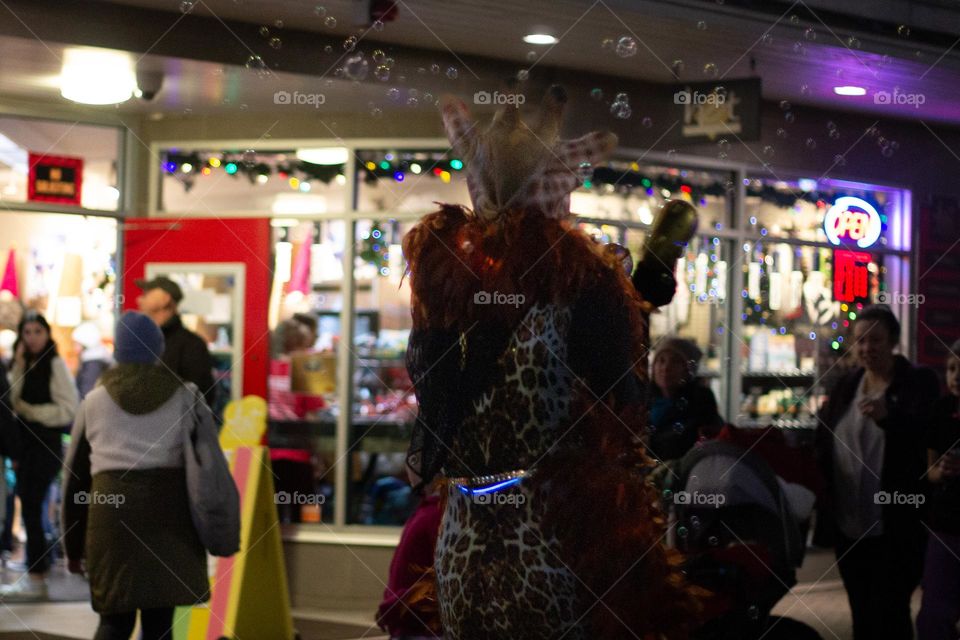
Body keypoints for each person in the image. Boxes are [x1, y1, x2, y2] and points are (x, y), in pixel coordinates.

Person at [402, 87, 702, 640]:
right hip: (556, 528)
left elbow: (433, 409)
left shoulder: (451, 278)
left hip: (468, 531)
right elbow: (626, 404)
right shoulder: (583, 282)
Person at [62, 312, 213, 640]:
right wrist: (219, 529)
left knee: (114, 621)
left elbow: (75, 479)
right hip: (169, 518)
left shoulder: (94, 401)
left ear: (118, 350)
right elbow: (210, 468)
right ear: (158, 349)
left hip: (109, 519)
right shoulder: (186, 395)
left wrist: (73, 547)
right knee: (160, 624)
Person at [815, 304, 937, 640]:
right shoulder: (846, 385)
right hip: (848, 523)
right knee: (861, 611)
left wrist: (889, 416)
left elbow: (925, 434)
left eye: (876, 340)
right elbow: (822, 437)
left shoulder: (917, 382)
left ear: (894, 341)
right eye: (860, 341)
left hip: (896, 524)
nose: (867, 348)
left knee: (891, 611)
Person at [1, 311, 78, 600]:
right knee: (28, 505)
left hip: (45, 444)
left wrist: (32, 412)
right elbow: (11, 398)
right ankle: (36, 573)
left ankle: (37, 575)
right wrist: (19, 363)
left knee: (33, 506)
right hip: (23, 446)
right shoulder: (22, 363)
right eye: (27, 332)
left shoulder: (54, 364)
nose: (32, 338)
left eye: (37, 331)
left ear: (47, 334)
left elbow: (69, 408)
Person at [917, 339, 960, 640]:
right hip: (946, 525)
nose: (956, 376)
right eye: (952, 368)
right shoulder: (940, 410)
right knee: (933, 616)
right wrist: (941, 471)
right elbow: (929, 471)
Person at [376, 464, 443, 640]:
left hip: (423, 631)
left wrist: (394, 608)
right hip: (408, 627)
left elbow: (441, 583)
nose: (409, 469)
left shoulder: (436, 514)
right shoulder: (426, 509)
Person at [135, 276, 215, 406]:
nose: (139, 299)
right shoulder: (141, 340)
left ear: (165, 299)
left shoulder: (192, 345)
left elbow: (202, 396)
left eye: (147, 294)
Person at [647, 337, 723, 462]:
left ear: (688, 371)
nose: (666, 368)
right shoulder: (643, 401)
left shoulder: (700, 405)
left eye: (675, 362)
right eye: (661, 360)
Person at [72, 322, 112, 399]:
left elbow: (86, 394)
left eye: (76, 343)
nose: (74, 347)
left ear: (86, 344)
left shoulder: (92, 365)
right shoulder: (94, 361)